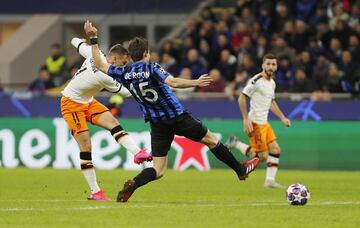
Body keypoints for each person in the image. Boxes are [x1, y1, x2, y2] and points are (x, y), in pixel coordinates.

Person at [84, 20, 260, 203]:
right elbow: (173, 82)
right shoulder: (152, 68)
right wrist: (196, 82)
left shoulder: (124, 73)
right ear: (146, 53)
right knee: (212, 140)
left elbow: (101, 64)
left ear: (132, 56)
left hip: (157, 124)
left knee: (158, 169)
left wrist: (94, 39)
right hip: (177, 117)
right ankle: (240, 170)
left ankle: (134, 183)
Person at [60, 37, 152, 201]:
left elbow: (79, 44)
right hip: (71, 103)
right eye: (123, 64)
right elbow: (125, 92)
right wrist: (144, 91)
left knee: (113, 123)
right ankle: (95, 191)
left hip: (88, 101)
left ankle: (137, 153)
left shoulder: (95, 54)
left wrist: (77, 39)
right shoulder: (107, 76)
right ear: (114, 59)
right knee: (86, 146)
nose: (123, 68)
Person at [226, 53, 291, 188]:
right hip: (254, 123)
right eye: (268, 64)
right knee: (262, 156)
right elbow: (242, 98)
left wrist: (282, 118)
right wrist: (245, 119)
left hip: (264, 123)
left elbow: (271, 102)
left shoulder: (272, 83)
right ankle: (236, 143)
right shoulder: (256, 80)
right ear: (263, 65)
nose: (270, 67)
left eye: (273, 64)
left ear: (276, 66)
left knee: (275, 149)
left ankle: (269, 181)